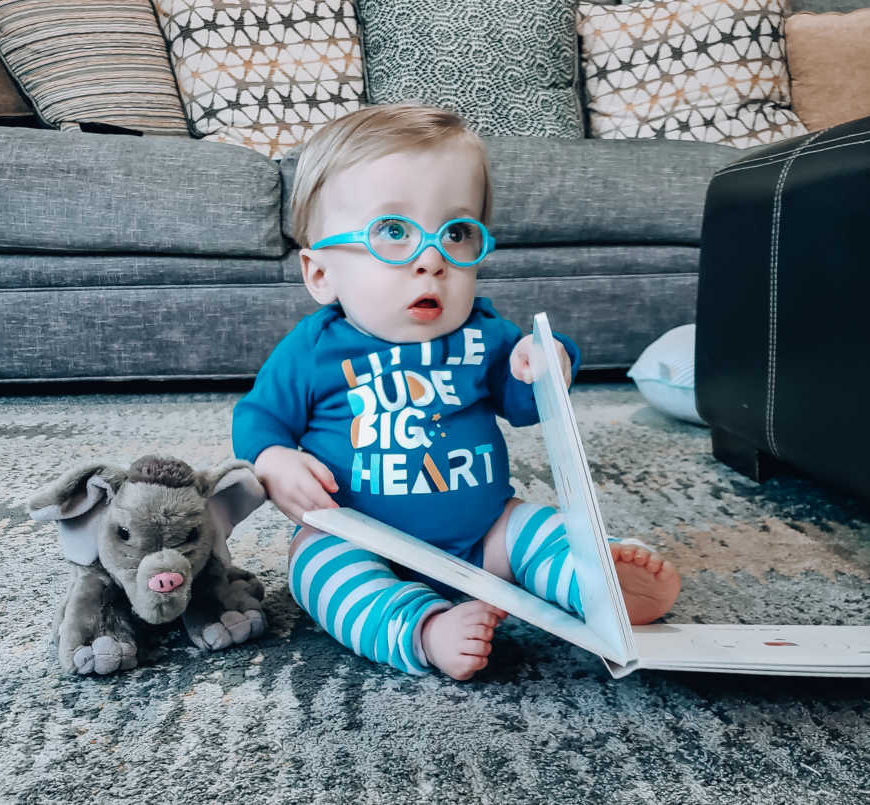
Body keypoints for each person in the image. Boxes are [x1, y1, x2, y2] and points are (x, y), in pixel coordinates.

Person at [232, 104, 681, 681]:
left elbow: (524, 406)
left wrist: (542, 362)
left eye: (457, 233)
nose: (431, 261)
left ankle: (596, 581)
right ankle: (420, 628)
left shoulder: (486, 336)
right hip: (364, 539)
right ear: (321, 274)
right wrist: (274, 459)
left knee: (534, 529)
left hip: (484, 536)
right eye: (392, 231)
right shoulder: (314, 349)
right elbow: (258, 416)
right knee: (318, 566)